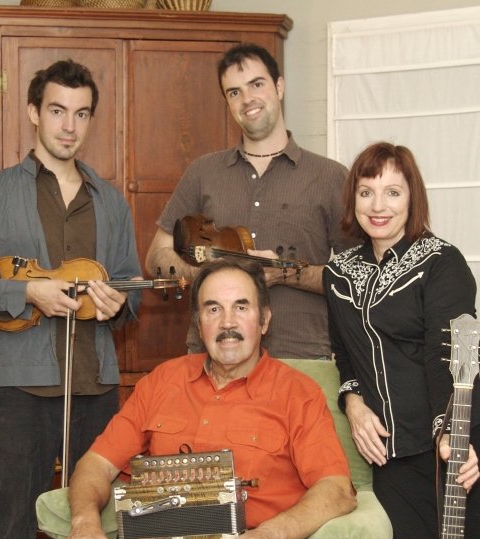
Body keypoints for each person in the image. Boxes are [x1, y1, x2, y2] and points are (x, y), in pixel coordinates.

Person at [52, 257, 356, 539]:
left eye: (241, 307)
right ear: (198, 324)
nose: (228, 322)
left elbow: (336, 490)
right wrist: (85, 523)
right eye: (213, 310)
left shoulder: (298, 394)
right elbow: (95, 464)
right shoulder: (162, 381)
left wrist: (271, 534)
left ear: (265, 319)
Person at [0, 59, 142, 539]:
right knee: (7, 533)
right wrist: (25, 292)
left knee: (102, 524)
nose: (68, 126)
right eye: (57, 111)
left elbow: (129, 289)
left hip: (95, 386)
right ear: (34, 113)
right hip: (16, 389)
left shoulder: (112, 202)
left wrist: (115, 305)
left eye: (81, 114)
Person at [146, 43, 353, 360]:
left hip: (301, 357)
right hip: (212, 357)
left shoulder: (331, 177)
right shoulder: (203, 172)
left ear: (279, 86)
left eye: (257, 84)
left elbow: (359, 279)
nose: (247, 100)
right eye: (234, 92)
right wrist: (210, 271)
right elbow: (156, 256)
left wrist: (286, 274)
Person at [323, 141, 480, 539]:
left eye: (393, 191)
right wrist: (353, 403)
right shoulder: (338, 273)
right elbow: (345, 353)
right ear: (352, 199)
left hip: (453, 443)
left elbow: (444, 357)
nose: (379, 205)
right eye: (366, 191)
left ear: (413, 199)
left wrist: (453, 436)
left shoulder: (442, 263)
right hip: (391, 454)